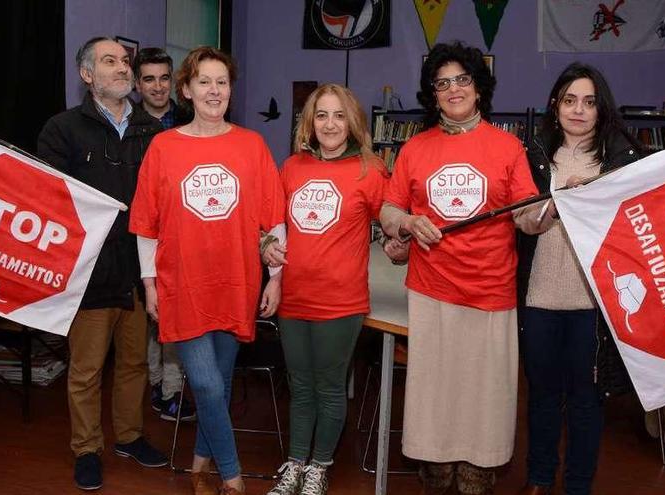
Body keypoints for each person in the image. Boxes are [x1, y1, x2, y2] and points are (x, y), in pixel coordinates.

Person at [378, 41, 538, 495]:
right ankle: (436, 478)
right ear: (433, 93)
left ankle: (476, 480)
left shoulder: (508, 147)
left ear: (479, 87)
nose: (453, 89)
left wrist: (551, 208)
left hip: (490, 293)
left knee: (484, 399)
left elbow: (526, 215)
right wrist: (407, 221)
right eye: (442, 82)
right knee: (434, 399)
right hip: (431, 291)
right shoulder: (415, 148)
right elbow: (388, 210)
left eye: (462, 79)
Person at [129, 46, 285, 495]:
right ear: (186, 90)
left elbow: (273, 218)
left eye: (222, 82)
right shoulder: (163, 146)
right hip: (183, 285)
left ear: (231, 90)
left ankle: (200, 462)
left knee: (216, 384)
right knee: (205, 384)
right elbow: (147, 226)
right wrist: (150, 284)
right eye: (204, 82)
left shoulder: (251, 145)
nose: (214, 90)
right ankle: (232, 477)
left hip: (237, 282)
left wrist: (275, 276)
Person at [37, 36, 167, 491]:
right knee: (87, 369)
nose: (122, 68)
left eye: (124, 61)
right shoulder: (63, 129)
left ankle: (129, 436)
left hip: (139, 271)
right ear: (87, 75)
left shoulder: (153, 133)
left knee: (134, 363)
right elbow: (49, 198)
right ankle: (87, 449)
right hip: (89, 272)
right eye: (109, 61)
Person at [514, 62, 643, 495]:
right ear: (555, 106)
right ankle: (538, 477)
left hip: (594, 303)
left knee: (586, 402)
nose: (578, 110)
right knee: (543, 396)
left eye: (589, 102)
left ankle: (578, 486)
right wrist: (556, 203)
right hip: (539, 297)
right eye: (570, 100)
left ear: (601, 109)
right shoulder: (532, 156)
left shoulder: (621, 161)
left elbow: (635, 228)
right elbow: (523, 221)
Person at [261, 84, 388, 495]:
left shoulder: (371, 169)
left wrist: (400, 240)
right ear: (309, 123)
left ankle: (320, 466)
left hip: (341, 300)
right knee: (300, 384)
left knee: (330, 385)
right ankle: (296, 462)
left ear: (351, 122)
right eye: (321, 115)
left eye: (338, 115)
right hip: (293, 296)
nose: (330, 124)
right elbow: (272, 225)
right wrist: (265, 246)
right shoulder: (292, 167)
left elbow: (392, 223)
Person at [131, 46, 196, 422]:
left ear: (174, 81)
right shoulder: (128, 125)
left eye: (164, 78)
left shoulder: (189, 118)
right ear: (138, 84)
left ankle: (172, 390)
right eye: (149, 79)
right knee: (150, 316)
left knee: (173, 316)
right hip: (143, 233)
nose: (158, 86)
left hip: (185, 234)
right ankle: (157, 385)